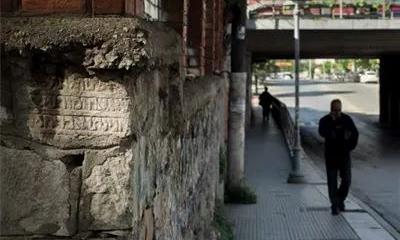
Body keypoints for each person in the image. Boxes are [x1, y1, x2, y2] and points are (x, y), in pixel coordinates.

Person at [319, 99, 358, 215]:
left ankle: (340, 199)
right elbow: (321, 131)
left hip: (344, 155)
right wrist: (332, 125)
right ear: (331, 110)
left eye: (339, 110)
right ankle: (334, 204)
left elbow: (355, 134)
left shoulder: (347, 120)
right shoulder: (325, 120)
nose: (337, 112)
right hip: (331, 155)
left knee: (346, 180)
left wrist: (349, 146)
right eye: (335, 110)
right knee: (332, 181)